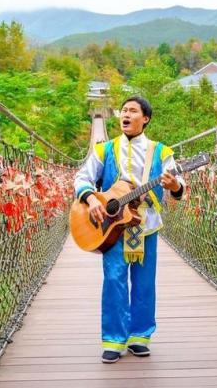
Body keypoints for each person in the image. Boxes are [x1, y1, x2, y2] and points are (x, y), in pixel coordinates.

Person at [73, 96, 186, 363]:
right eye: (123, 111)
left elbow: (177, 183)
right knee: (114, 280)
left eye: (132, 111)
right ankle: (113, 339)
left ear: (145, 118)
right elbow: (82, 177)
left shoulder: (162, 152)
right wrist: (91, 199)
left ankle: (139, 337)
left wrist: (173, 186)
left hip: (146, 224)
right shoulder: (104, 150)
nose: (126, 114)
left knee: (145, 282)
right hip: (112, 225)